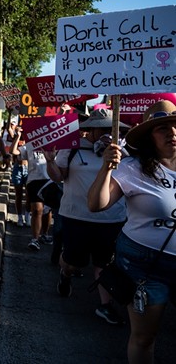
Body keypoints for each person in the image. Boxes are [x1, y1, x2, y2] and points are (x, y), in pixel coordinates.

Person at [88, 100, 176, 364]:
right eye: (163, 128)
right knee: (144, 337)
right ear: (150, 136)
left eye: (175, 126)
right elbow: (96, 204)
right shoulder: (133, 168)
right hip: (145, 266)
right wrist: (107, 168)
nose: (172, 132)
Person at [44, 109, 129, 325]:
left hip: (112, 218)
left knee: (105, 263)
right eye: (103, 128)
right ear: (91, 129)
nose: (108, 133)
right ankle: (65, 273)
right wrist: (51, 162)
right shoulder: (72, 149)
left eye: (112, 129)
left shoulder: (122, 152)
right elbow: (58, 178)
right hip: (77, 216)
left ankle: (105, 305)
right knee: (74, 263)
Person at [9, 126, 51, 250]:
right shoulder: (30, 145)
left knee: (47, 211)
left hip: (49, 181)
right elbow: (14, 151)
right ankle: (35, 239)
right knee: (37, 210)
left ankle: (45, 233)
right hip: (34, 181)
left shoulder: (52, 143)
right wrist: (17, 136)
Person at [5, 119, 30, 226]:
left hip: (29, 168)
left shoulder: (31, 140)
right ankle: (20, 217)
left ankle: (27, 215)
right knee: (18, 194)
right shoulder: (16, 138)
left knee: (29, 195)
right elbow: (8, 128)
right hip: (18, 168)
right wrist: (10, 114)